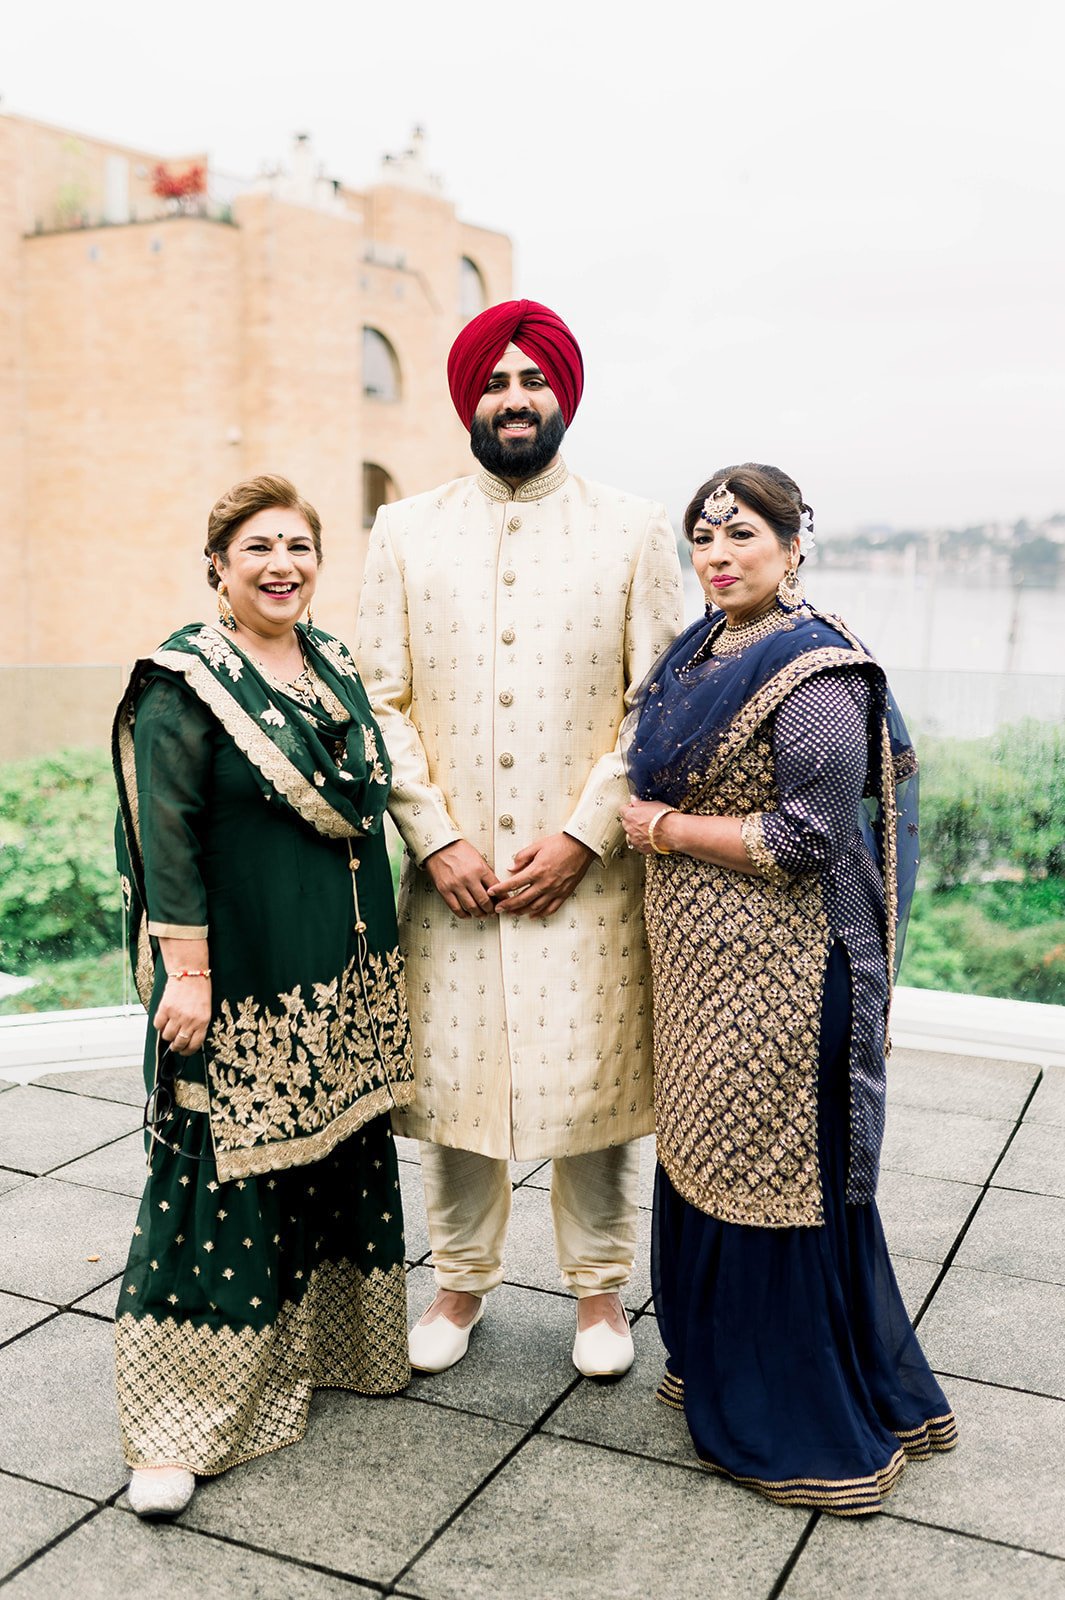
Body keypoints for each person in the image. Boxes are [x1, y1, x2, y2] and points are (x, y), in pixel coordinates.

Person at [355, 300, 683, 1378]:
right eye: (494, 382)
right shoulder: (403, 528)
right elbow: (379, 698)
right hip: (453, 870)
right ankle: (458, 1283)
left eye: (531, 381)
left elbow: (662, 705)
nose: (513, 399)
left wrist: (587, 835)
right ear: (468, 399)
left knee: (595, 1076)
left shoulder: (632, 527)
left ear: (562, 396)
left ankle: (599, 1295)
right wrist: (436, 838)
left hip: (584, 872)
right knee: (455, 1078)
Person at [621, 463, 957, 1514]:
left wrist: (667, 830)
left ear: (793, 544)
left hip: (787, 967)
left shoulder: (815, 669)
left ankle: (806, 1417)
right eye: (703, 538)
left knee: (774, 1171)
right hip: (699, 964)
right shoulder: (700, 649)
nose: (718, 555)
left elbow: (810, 834)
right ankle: (718, 1359)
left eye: (742, 535)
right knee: (709, 1153)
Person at [112, 475, 414, 1519]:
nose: (282, 564)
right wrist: (186, 973)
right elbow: (167, 836)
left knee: (332, 1144)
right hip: (240, 971)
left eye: (298, 546)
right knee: (222, 1162)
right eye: (258, 548)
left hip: (338, 964)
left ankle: (332, 1348)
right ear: (218, 567)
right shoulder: (184, 682)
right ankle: (182, 1418)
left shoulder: (330, 661)